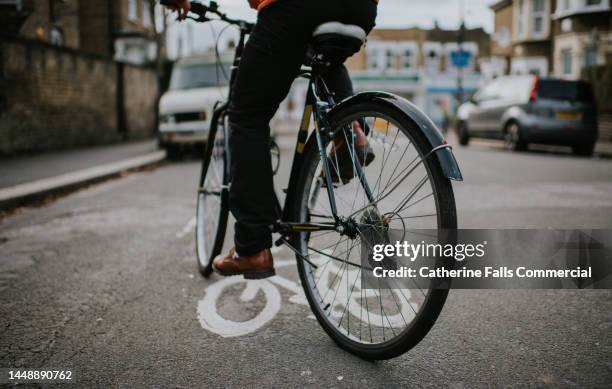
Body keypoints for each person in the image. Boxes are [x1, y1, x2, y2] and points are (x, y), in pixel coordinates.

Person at [164, 0, 378, 279]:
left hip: (294, 7)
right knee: (327, 61)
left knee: (245, 117)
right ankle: (351, 134)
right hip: (360, 9)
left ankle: (252, 248)